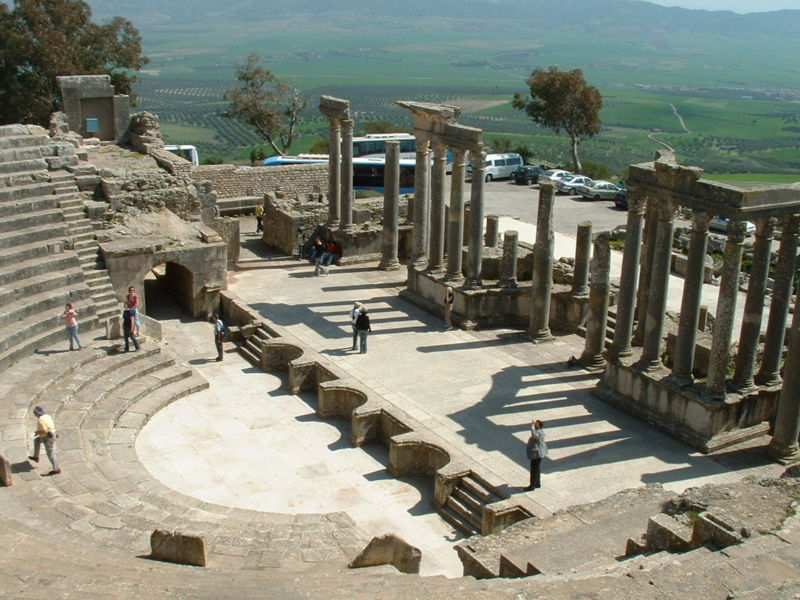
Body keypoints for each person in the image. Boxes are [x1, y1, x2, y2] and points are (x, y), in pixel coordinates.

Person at [28, 406, 61, 475]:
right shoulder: (47, 416)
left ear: (37, 413)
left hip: (48, 437)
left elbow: (44, 431)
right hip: (51, 434)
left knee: (51, 454)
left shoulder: (41, 420)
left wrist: (37, 432)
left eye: (34, 412)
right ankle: (36, 456)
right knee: (37, 441)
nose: (34, 414)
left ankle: (56, 469)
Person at [525, 419, 547, 491]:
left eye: (536, 424)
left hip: (537, 454)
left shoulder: (539, 433)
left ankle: (532, 485)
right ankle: (537, 483)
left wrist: (532, 426)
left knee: (534, 469)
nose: (535, 424)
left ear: (540, 426)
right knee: (537, 468)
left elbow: (534, 434)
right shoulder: (539, 432)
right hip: (538, 453)